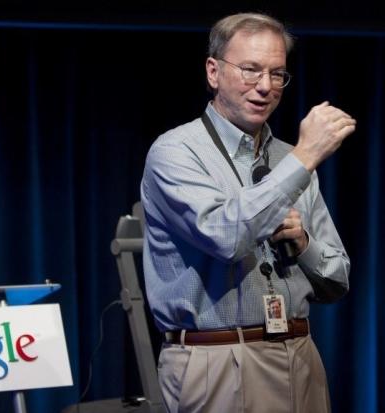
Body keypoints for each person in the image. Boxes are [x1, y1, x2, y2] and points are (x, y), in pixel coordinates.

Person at [140, 12, 355, 413]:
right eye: (251, 70)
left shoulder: (290, 158)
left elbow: (338, 279)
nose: (265, 86)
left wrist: (304, 242)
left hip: (299, 353)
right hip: (218, 358)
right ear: (214, 71)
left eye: (277, 74)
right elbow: (225, 238)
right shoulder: (176, 152)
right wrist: (306, 156)